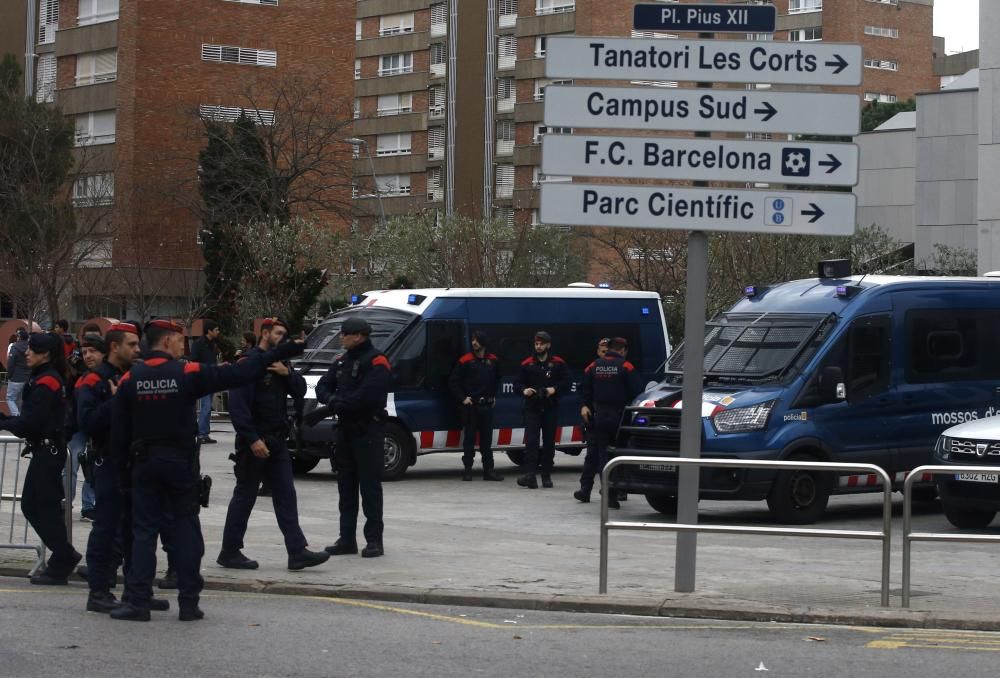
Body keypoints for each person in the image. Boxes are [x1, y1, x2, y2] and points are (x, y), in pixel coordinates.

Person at [108, 319, 304, 622]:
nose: (183, 345)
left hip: (144, 465)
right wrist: (286, 350)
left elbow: (118, 433)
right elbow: (240, 373)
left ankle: (138, 601)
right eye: (180, 340)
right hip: (180, 465)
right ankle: (189, 602)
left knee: (143, 532)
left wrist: (121, 475)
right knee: (186, 530)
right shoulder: (187, 373)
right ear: (167, 341)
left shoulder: (130, 379)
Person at [218, 317, 329, 572]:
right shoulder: (248, 364)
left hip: (277, 440)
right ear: (265, 333)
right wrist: (252, 439)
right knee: (245, 496)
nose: (282, 338)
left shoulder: (282, 363)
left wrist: (286, 373)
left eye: (285, 334)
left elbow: (301, 389)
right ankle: (229, 551)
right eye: (278, 333)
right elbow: (238, 408)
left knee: (286, 495)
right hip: (254, 443)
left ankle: (297, 551)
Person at [76, 323, 172, 613]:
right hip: (108, 462)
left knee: (136, 529)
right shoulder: (92, 381)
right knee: (106, 528)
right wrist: (117, 400)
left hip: (136, 463)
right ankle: (99, 591)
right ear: (115, 347)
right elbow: (87, 422)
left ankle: (135, 590)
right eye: (131, 344)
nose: (138, 349)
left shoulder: (133, 376)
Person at [0, 333, 80, 584]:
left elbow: (30, 423)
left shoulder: (47, 382)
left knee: (37, 507)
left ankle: (64, 556)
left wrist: (4, 422)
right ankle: (62, 558)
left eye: (32, 350)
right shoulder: (45, 378)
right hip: (46, 451)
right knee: (40, 507)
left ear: (45, 354)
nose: (26, 353)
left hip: (48, 452)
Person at [310, 316, 391, 559]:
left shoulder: (377, 361)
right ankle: (347, 539)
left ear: (358, 335)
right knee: (346, 488)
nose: (340, 337)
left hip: (368, 431)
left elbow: (366, 397)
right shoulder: (342, 360)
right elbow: (322, 386)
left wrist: (332, 406)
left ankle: (374, 540)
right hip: (345, 432)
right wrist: (333, 402)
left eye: (344, 333)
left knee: (369, 488)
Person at [576, 337, 644, 509]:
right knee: (617, 455)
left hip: (598, 416)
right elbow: (638, 390)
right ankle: (612, 493)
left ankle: (595, 490)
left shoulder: (594, 365)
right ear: (622, 350)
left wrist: (585, 405)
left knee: (600, 455)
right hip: (620, 417)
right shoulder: (626, 366)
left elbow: (584, 388)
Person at [515, 331, 570, 489]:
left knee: (548, 443)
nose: (538, 346)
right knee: (531, 442)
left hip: (550, 407)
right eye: (536, 344)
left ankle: (546, 476)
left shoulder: (558, 363)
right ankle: (530, 475)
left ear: (548, 345)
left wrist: (554, 389)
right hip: (532, 407)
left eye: (541, 344)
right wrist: (524, 390)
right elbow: (517, 384)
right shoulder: (527, 364)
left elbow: (567, 382)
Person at [448, 330, 503, 481]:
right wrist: (462, 398)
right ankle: (467, 471)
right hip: (471, 406)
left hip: (487, 406)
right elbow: (453, 382)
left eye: (476, 340)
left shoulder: (493, 360)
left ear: (483, 343)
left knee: (487, 441)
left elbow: (498, 379)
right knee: (469, 440)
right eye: (472, 340)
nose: (473, 343)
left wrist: (494, 395)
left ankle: (489, 471)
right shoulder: (465, 360)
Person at [190, 320, 221, 445]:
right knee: (206, 407)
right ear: (209, 331)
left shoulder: (212, 344)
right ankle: (202, 434)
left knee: (207, 408)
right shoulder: (199, 344)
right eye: (216, 330)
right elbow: (193, 361)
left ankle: (205, 433)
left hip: (211, 378)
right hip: (203, 378)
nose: (218, 332)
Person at [5, 328, 29, 416]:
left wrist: (9, 375)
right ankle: (21, 417)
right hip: (27, 378)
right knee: (20, 399)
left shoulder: (14, 347)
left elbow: (11, 364)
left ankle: (16, 416)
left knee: (10, 398)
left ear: (19, 337)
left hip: (15, 378)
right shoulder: (30, 348)